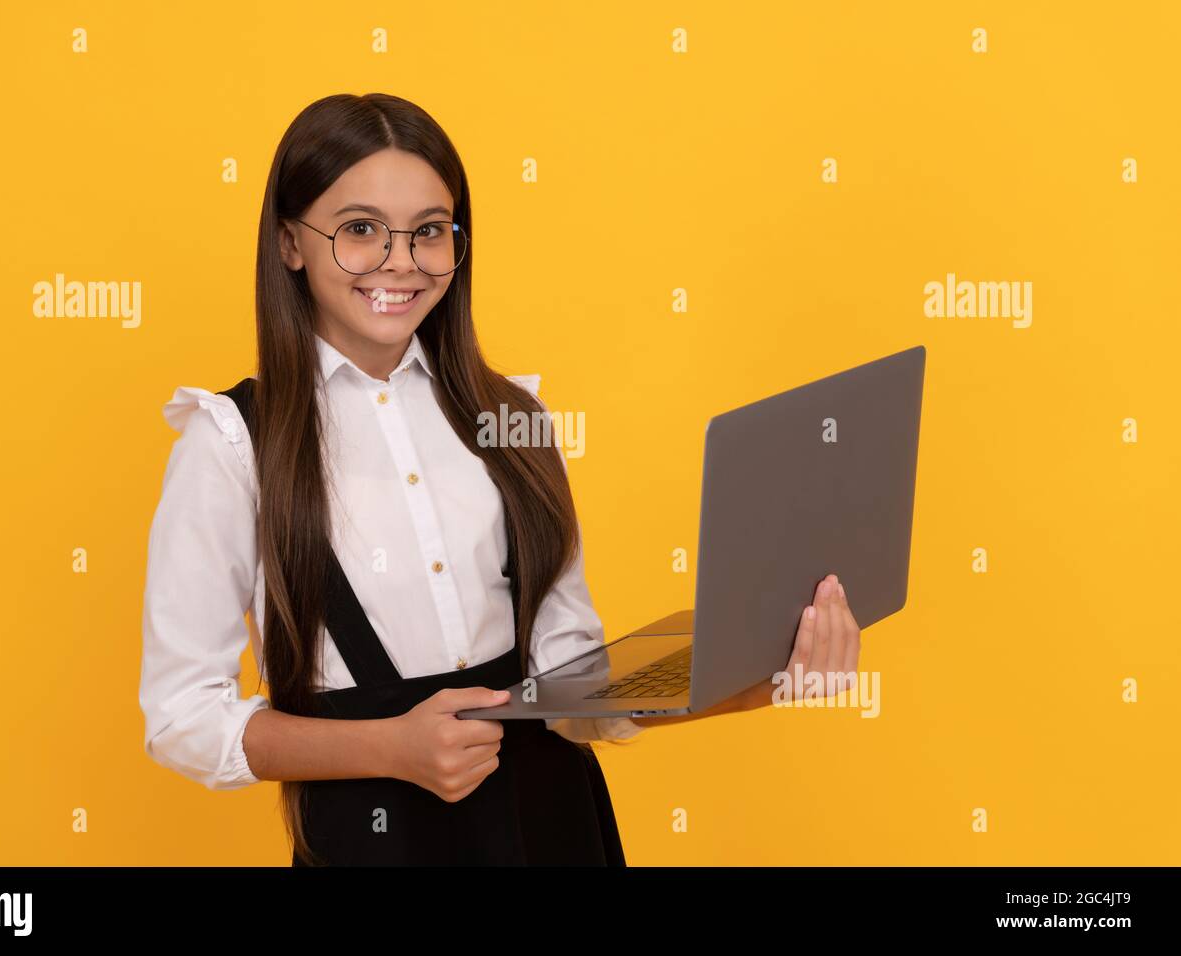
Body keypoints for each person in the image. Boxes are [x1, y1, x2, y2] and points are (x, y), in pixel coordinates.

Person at [138, 92, 862, 866]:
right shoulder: (231, 443)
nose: (401, 262)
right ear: (289, 242)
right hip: (375, 840)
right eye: (359, 230)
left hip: (552, 823)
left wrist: (758, 677)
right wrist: (392, 749)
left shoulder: (512, 417)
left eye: (429, 232)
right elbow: (182, 716)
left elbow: (571, 689)